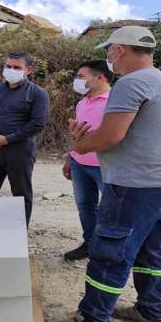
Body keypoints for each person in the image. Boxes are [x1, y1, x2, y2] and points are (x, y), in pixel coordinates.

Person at [47, 26, 161, 322]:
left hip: (133, 184)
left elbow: (109, 137)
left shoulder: (131, 83)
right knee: (150, 249)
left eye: (109, 51)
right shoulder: (158, 79)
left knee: (111, 252)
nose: (108, 57)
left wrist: (81, 144)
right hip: (159, 181)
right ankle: (153, 313)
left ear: (119, 50)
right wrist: (87, 139)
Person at [0, 51, 50, 225]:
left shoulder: (37, 93)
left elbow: (38, 124)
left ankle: (20, 233)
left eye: (17, 67)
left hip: (19, 151)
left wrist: (8, 139)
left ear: (28, 70)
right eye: (8, 66)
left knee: (21, 194)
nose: (11, 70)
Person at [62, 60, 113, 261]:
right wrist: (69, 159)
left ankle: (108, 250)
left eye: (81, 77)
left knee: (110, 210)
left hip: (105, 166)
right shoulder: (82, 103)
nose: (77, 81)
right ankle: (90, 244)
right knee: (85, 206)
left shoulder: (116, 102)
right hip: (79, 164)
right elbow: (78, 137)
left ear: (99, 77)